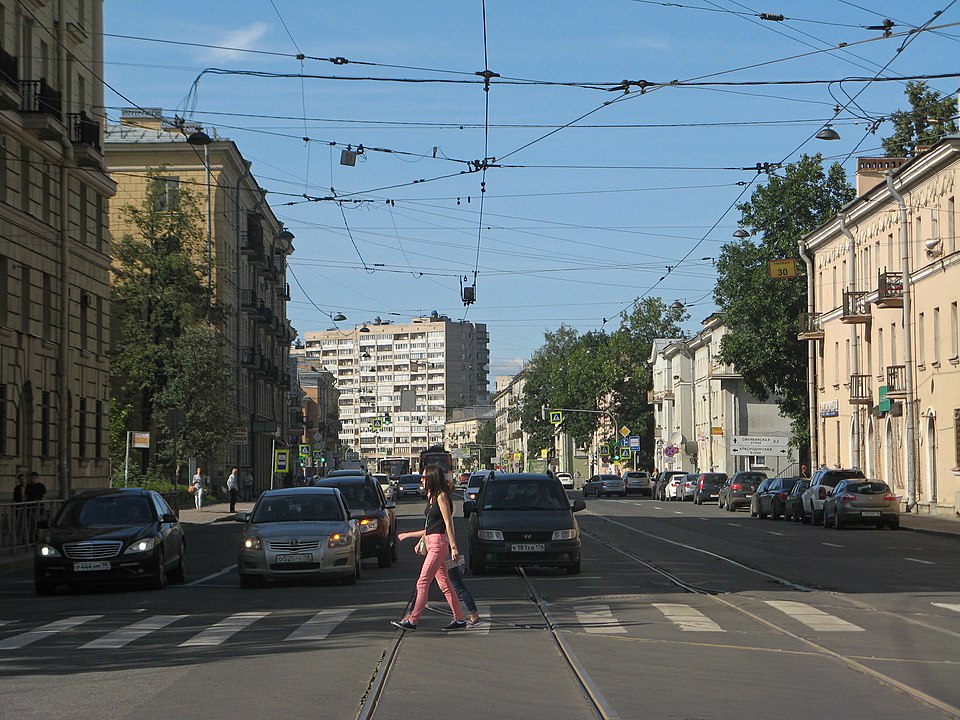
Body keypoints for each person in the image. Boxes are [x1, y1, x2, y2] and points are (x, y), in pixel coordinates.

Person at [392, 465, 466, 631]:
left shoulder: (441, 497)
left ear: (433, 478)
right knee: (445, 584)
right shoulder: (431, 497)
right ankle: (460, 619)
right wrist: (412, 536)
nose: (421, 480)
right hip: (432, 542)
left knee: (423, 582)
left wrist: (454, 547)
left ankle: (413, 620)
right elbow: (430, 527)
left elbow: (447, 523)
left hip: (439, 545)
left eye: (424, 477)